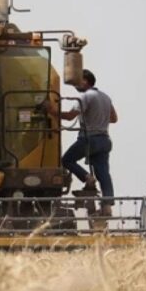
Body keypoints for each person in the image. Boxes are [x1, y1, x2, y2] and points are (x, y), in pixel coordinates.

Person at [50, 69, 118, 216]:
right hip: (104, 140)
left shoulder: (85, 97)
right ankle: (107, 206)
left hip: (89, 139)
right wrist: (99, 118)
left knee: (67, 159)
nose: (75, 85)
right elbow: (113, 118)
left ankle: (87, 178)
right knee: (103, 173)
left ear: (85, 81)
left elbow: (69, 117)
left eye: (77, 81)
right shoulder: (105, 97)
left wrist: (51, 111)